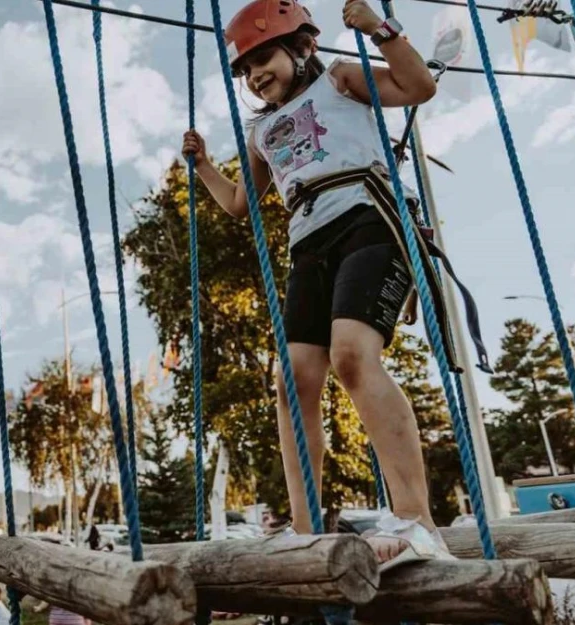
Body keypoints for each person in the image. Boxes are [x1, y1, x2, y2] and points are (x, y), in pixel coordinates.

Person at [181, 0, 456, 570]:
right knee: (293, 380)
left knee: (353, 357)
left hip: (370, 218)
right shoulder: (259, 132)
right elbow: (239, 205)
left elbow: (418, 86)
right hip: (308, 243)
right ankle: (304, 529)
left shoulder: (340, 79)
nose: (257, 74)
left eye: (265, 57)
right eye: (247, 68)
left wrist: (379, 31)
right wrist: (205, 165)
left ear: (301, 46)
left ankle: (417, 520)